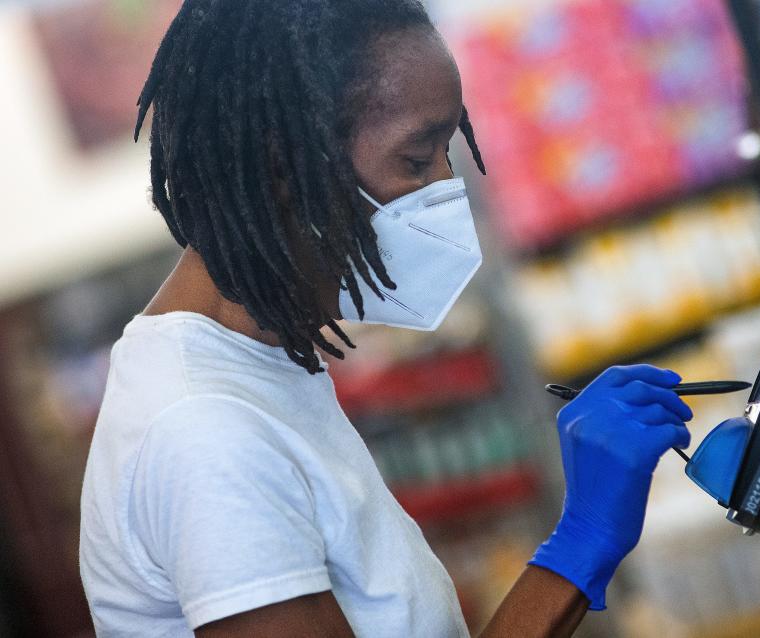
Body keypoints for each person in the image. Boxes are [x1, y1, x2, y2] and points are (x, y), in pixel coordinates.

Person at [78, 1, 695, 636]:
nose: (445, 191)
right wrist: (580, 543)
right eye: (416, 160)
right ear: (285, 166)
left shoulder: (259, 366)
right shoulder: (202, 430)